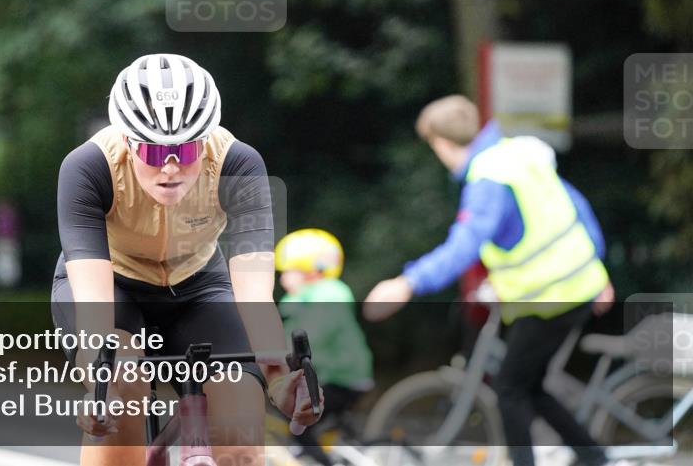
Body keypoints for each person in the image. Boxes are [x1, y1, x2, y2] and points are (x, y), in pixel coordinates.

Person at [51, 53, 321, 466]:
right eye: (154, 152)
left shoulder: (238, 163)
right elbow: (94, 305)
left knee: (241, 423)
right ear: (127, 140)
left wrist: (278, 378)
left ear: (206, 140)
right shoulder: (89, 168)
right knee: (123, 389)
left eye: (187, 149)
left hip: (198, 285)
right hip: (115, 286)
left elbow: (254, 295)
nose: (171, 167)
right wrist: (99, 389)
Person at [363, 95, 616, 466]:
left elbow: (465, 243)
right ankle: (598, 458)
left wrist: (408, 283)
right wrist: (597, 269)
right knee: (528, 386)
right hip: (573, 286)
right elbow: (575, 204)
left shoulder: (487, 179)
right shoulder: (516, 154)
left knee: (510, 389)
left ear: (441, 143)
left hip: (553, 295)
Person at [275, 228, 374, 466]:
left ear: (312, 270)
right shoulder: (302, 300)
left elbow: (313, 336)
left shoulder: (329, 295)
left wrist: (277, 357)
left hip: (341, 379)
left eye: (289, 271)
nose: (282, 278)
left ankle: (324, 462)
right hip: (327, 375)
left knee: (299, 422)